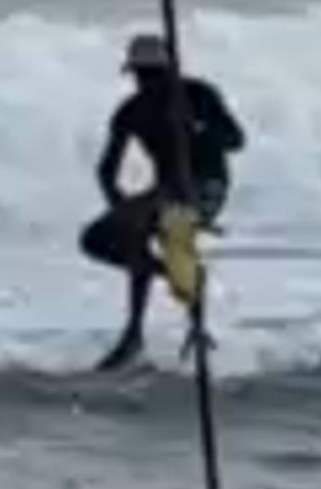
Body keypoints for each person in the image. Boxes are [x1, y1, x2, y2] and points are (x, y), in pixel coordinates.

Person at [81, 28, 243, 368]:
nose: (147, 82)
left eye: (153, 74)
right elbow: (105, 171)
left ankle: (192, 320)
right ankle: (139, 327)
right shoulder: (131, 110)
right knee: (99, 239)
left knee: (173, 223)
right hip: (166, 191)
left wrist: (197, 129)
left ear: (170, 70)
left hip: (206, 187)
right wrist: (120, 208)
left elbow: (235, 139)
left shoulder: (197, 94)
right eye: (141, 75)